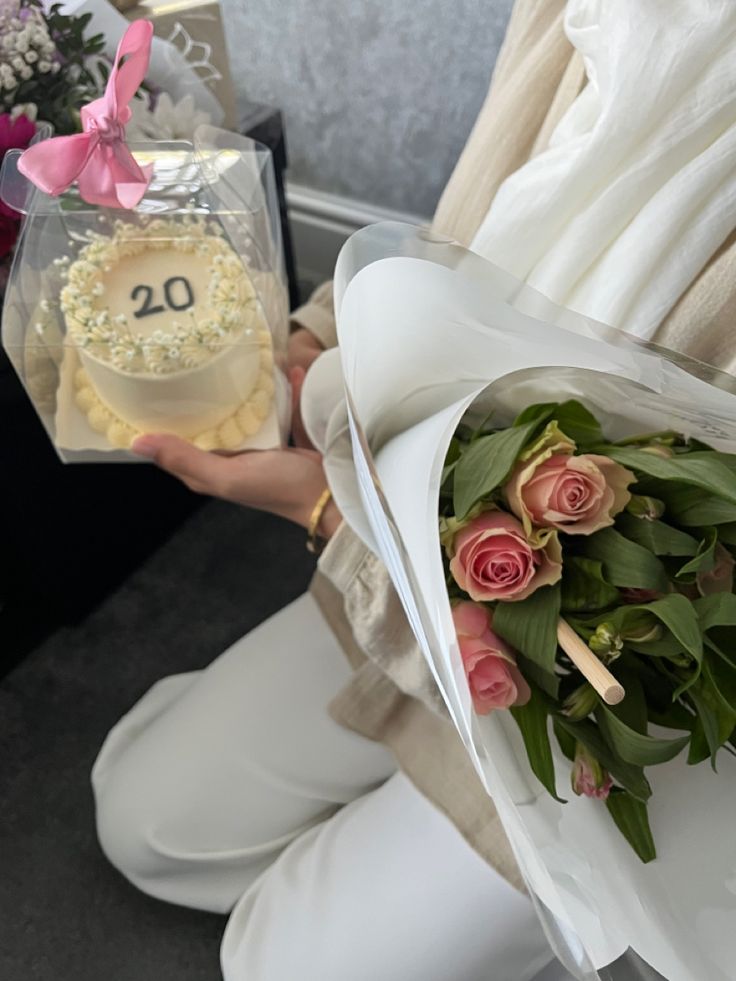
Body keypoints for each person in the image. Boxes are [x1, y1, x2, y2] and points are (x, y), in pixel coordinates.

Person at [93, 0, 736, 978]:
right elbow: (483, 223)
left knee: (269, 965)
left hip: (620, 697)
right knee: (146, 821)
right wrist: (323, 340)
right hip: (412, 539)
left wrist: (332, 510)